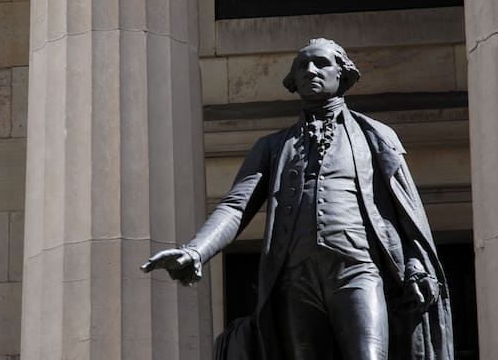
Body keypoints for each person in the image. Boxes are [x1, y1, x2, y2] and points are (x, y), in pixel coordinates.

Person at [142, 38, 453, 360]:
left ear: (342, 74)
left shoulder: (375, 135)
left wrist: (417, 261)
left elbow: (408, 211)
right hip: (295, 279)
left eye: (321, 63)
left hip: (357, 268)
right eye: (302, 66)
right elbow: (235, 206)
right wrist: (195, 251)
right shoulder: (272, 146)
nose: (310, 71)